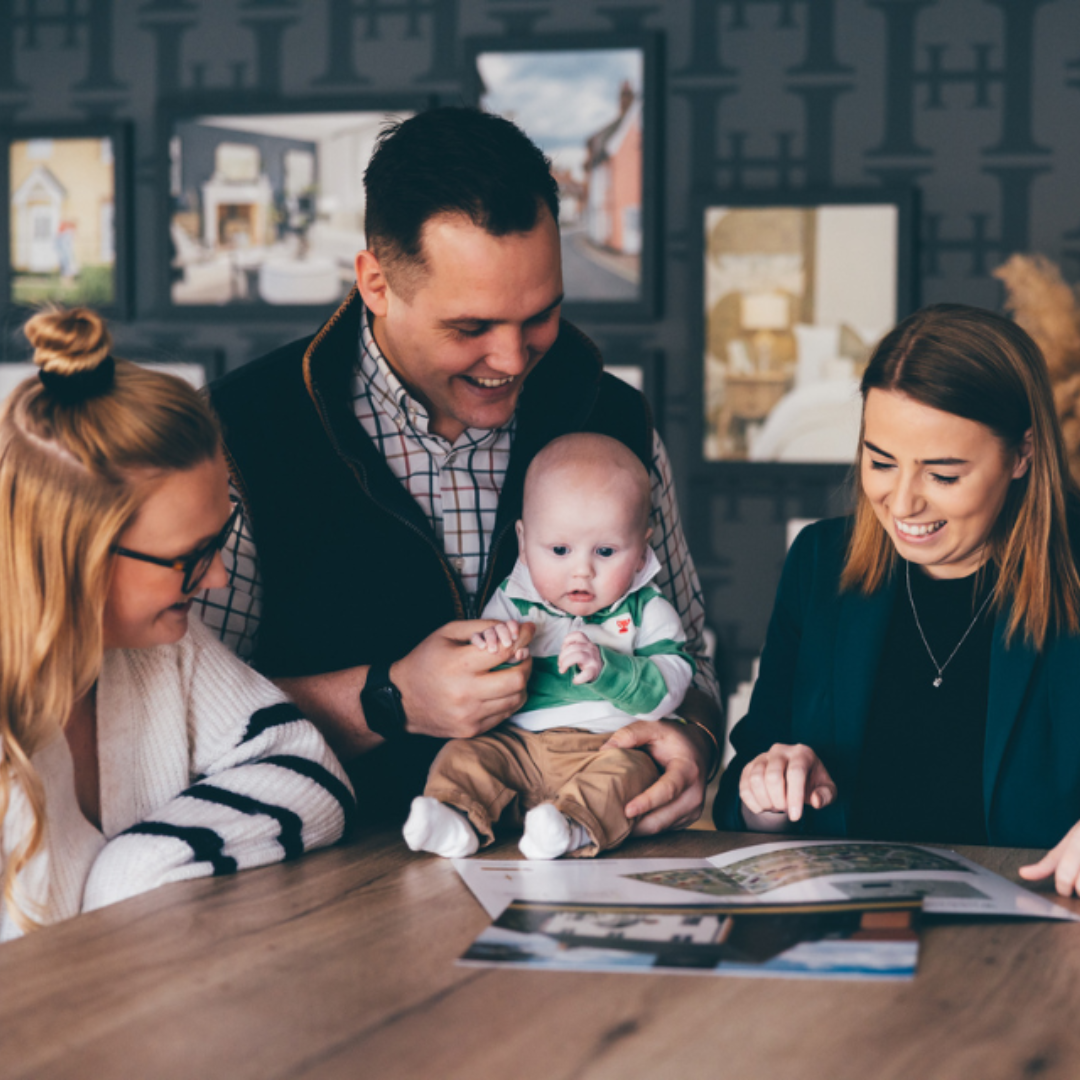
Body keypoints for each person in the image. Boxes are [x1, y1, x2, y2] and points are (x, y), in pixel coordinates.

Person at [198, 106, 721, 830]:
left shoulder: (614, 419)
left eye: (541, 315)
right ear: (376, 284)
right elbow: (176, 712)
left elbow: (692, 660)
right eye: (471, 328)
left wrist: (694, 738)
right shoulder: (241, 432)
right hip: (332, 890)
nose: (512, 360)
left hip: (579, 880)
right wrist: (389, 699)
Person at [0, 307, 354, 941]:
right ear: (80, 554)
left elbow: (311, 772)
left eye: (222, 539)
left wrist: (141, 869)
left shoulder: (164, 647)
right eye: (190, 557)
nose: (218, 577)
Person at [714, 302, 1080, 896]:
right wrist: (768, 791)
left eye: (943, 474)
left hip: (1033, 954)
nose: (902, 502)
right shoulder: (818, 564)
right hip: (846, 942)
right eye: (880, 461)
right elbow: (739, 796)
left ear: (1022, 454)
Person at [403, 433, 697, 860]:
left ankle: (571, 828)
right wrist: (493, 648)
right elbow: (480, 668)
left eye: (606, 550)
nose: (581, 571)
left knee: (630, 774)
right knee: (463, 754)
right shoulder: (513, 598)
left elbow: (672, 686)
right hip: (517, 744)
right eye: (559, 549)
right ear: (524, 542)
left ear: (640, 551)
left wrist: (608, 669)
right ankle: (456, 817)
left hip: (606, 745)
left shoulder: (647, 609)